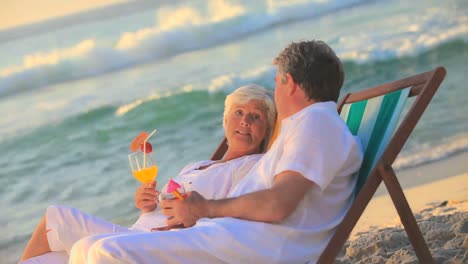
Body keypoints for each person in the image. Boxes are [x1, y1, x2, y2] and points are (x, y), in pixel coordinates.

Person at [67, 40, 364, 263]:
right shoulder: (304, 125)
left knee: (106, 252)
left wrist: (203, 208)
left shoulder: (317, 123)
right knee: (84, 247)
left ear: (290, 85)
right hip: (227, 238)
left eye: (276, 83)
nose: (274, 92)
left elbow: (277, 204)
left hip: (258, 251)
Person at [19, 84, 277, 263]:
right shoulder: (196, 165)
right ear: (225, 121)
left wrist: (192, 214)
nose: (245, 121)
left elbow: (229, 216)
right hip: (134, 233)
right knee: (54, 240)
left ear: (266, 131)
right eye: (239, 113)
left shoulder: (253, 166)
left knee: (74, 235)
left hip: (155, 245)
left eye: (255, 117)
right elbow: (163, 209)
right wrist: (147, 204)